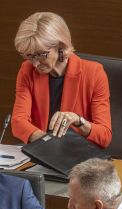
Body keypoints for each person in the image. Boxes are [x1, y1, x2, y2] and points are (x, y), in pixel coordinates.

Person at [11, 12, 112, 148]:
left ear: (61, 46)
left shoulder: (94, 73)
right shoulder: (27, 70)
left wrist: (78, 120)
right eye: (30, 56)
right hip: (42, 154)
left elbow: (104, 136)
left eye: (41, 55)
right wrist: (46, 143)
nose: (35, 64)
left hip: (79, 159)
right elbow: (18, 122)